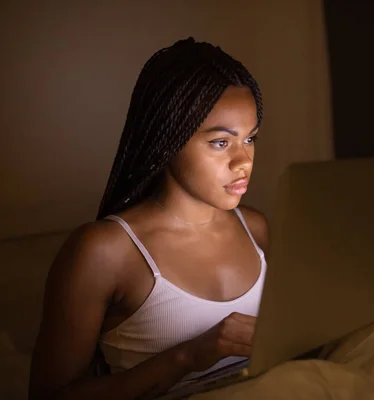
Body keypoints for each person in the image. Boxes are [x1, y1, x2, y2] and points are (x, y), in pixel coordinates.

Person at [29, 37, 269, 400]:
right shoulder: (105, 251)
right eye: (221, 142)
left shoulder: (255, 228)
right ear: (167, 139)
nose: (244, 162)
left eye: (250, 139)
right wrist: (189, 356)